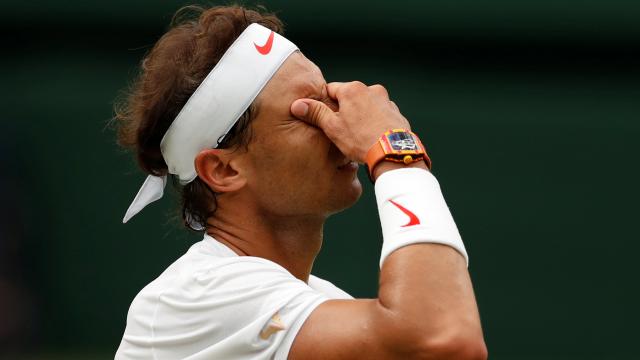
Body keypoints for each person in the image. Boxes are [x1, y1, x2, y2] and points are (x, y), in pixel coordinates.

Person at [114, 5, 487, 360]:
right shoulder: (201, 293)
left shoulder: (312, 299)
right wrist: (395, 150)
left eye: (329, 100)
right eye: (308, 111)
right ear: (224, 170)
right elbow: (442, 339)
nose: (338, 123)